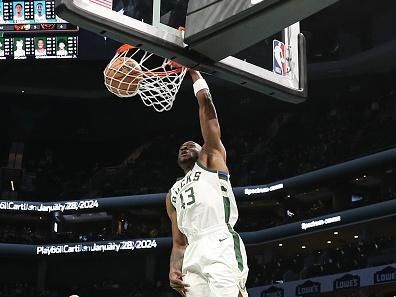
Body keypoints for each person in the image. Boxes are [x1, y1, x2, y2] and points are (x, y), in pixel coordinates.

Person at [166, 69, 249, 297]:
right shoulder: (173, 193)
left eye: (191, 144)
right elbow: (178, 242)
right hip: (192, 251)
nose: (184, 146)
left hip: (219, 241)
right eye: (181, 146)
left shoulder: (211, 159)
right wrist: (174, 267)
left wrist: (194, 73)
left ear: (202, 149)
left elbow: (208, 112)